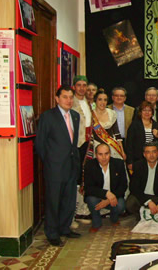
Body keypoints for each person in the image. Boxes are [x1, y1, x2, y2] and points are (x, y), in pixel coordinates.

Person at [35, 85, 81, 246]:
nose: (69, 100)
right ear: (57, 99)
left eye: (71, 97)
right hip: (54, 167)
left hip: (71, 165)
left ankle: (64, 228)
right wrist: (50, 162)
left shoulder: (75, 116)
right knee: (53, 201)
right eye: (65, 97)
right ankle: (52, 233)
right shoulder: (48, 117)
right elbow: (40, 144)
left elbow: (72, 143)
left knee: (69, 200)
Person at [84, 143, 127, 232]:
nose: (104, 157)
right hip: (97, 196)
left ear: (110, 154)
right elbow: (89, 188)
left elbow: (123, 186)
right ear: (96, 155)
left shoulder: (118, 164)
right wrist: (106, 193)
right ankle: (96, 223)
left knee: (120, 205)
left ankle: (114, 218)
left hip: (114, 196)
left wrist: (109, 199)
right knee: (91, 200)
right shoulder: (89, 165)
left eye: (106, 154)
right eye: (100, 154)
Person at [71, 75, 93, 225]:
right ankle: (71, 214)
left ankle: (80, 211)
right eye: (79, 85)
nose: (82, 88)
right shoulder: (70, 102)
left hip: (86, 144)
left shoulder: (87, 102)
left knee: (82, 177)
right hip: (75, 145)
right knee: (73, 178)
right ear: (74, 87)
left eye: (84, 85)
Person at [126, 101, 158, 175]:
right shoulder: (134, 125)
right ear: (140, 112)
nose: (147, 112)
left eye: (149, 110)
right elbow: (129, 144)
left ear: (152, 112)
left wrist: (157, 136)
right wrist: (130, 161)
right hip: (137, 158)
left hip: (152, 158)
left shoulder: (156, 124)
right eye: (144, 110)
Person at [91, 90, 125, 161]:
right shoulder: (91, 114)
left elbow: (117, 134)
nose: (102, 102)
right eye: (100, 99)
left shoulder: (112, 113)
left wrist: (122, 151)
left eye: (105, 100)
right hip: (96, 148)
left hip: (111, 147)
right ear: (95, 101)